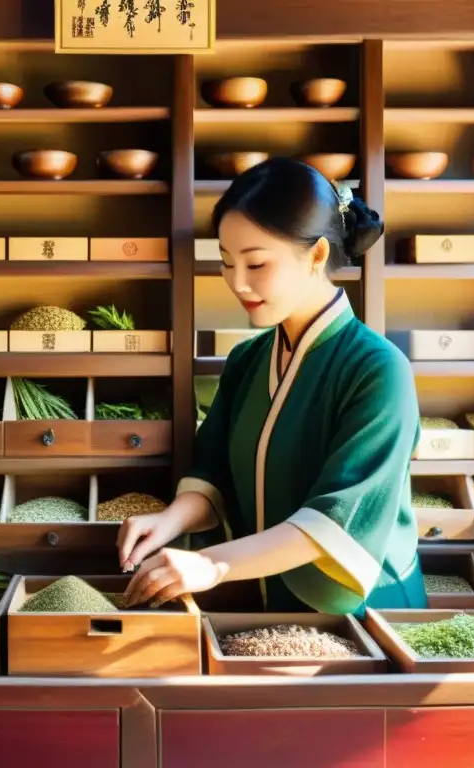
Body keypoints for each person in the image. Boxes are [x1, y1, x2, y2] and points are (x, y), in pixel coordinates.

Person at [119, 157, 426, 616]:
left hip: (368, 614)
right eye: (226, 263)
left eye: (257, 263)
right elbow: (213, 474)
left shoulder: (379, 370)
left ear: (318, 255)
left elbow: (337, 519)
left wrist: (210, 565)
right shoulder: (247, 361)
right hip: (271, 609)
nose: (237, 283)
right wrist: (170, 521)